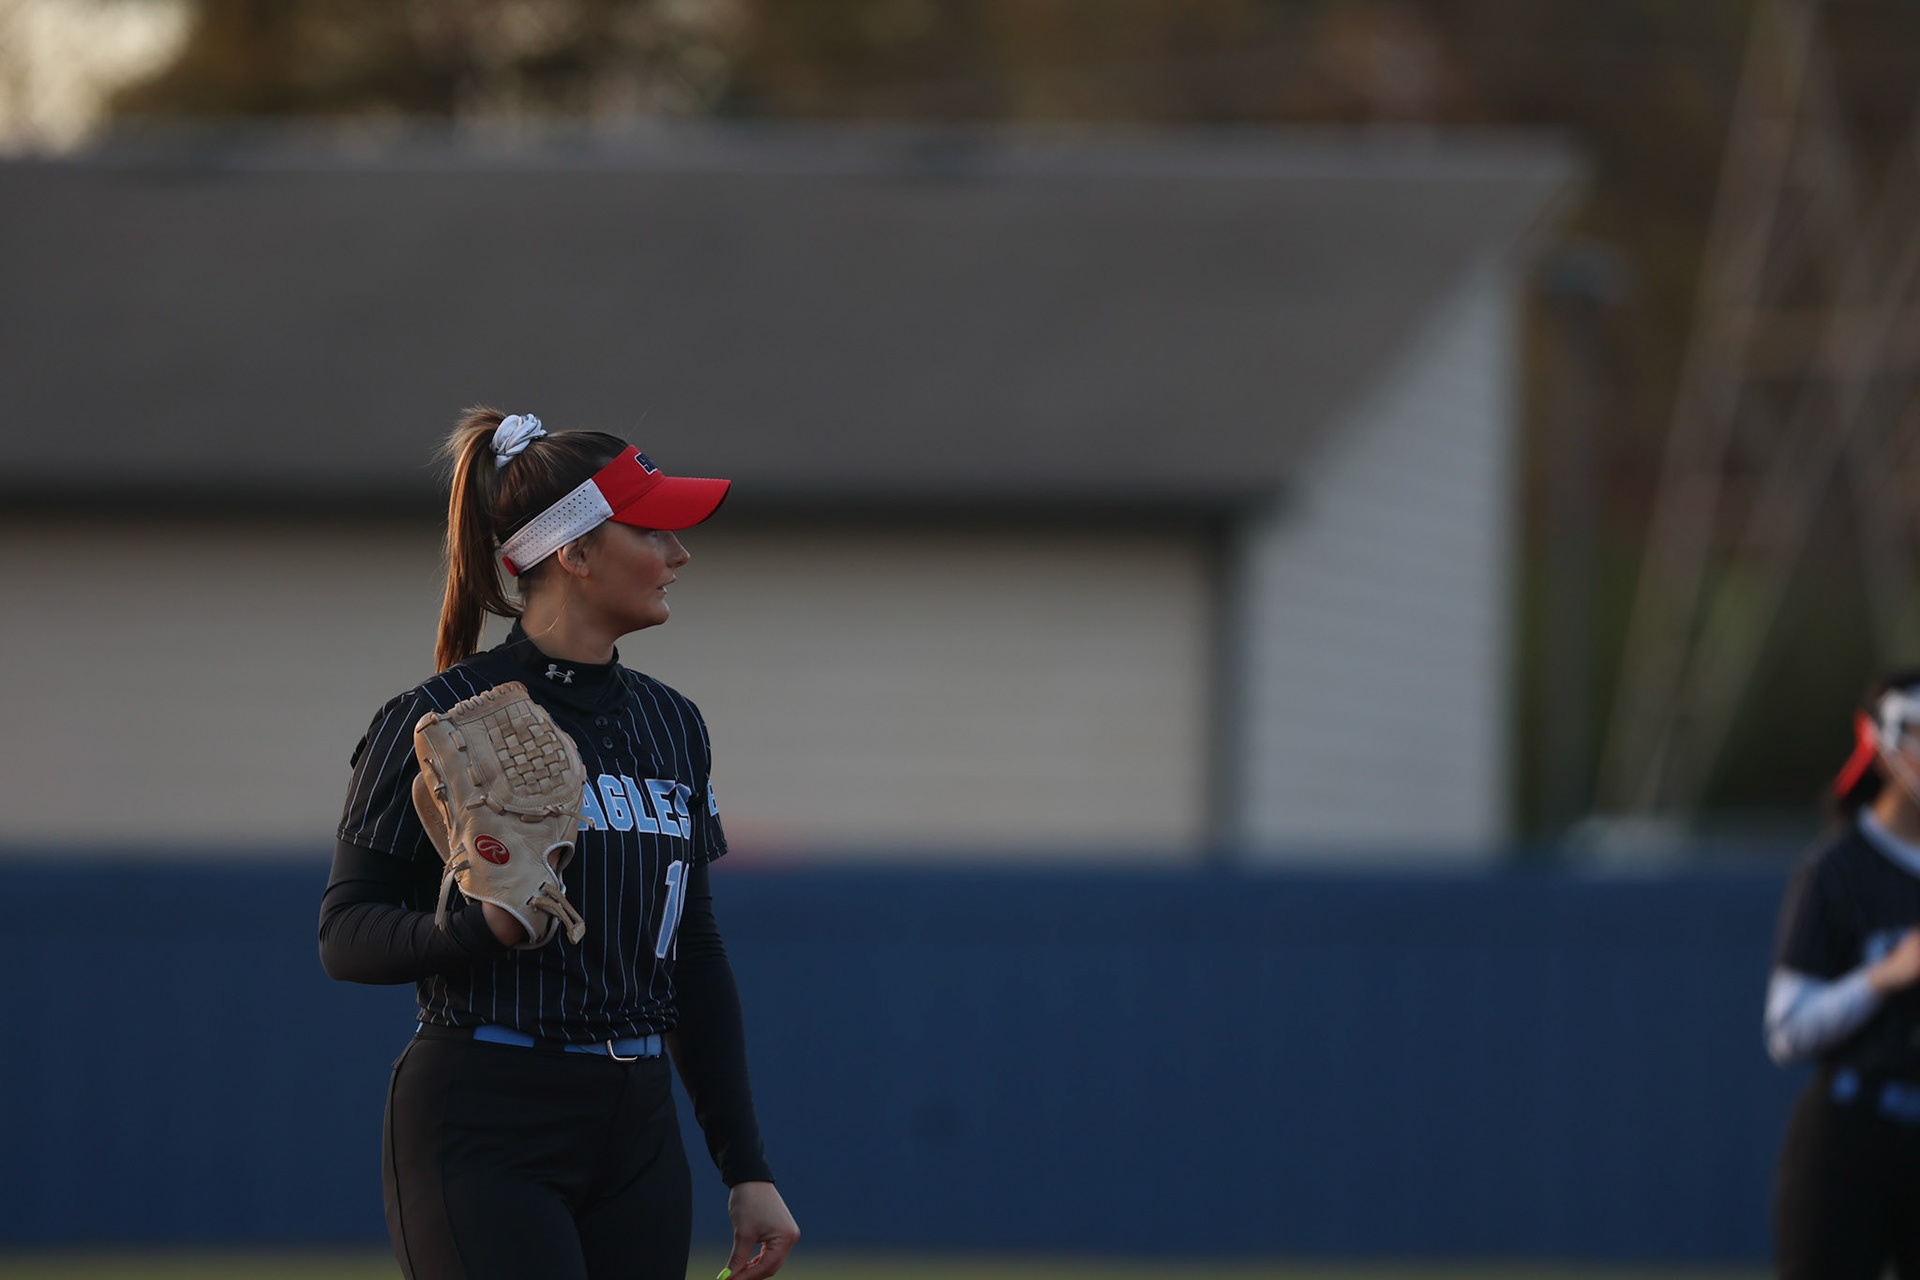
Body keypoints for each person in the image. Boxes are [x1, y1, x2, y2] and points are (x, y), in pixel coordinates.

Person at [319, 408, 799, 1280]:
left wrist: (745, 1167)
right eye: (652, 530)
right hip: (486, 1111)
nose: (680, 555)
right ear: (573, 553)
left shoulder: (672, 723)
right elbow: (345, 935)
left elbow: (690, 952)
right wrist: (477, 929)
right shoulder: (440, 720)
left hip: (637, 1123)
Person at [1767, 669, 1920, 1279]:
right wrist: (1886, 975)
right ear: (1881, 745)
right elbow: (1786, 1030)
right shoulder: (1837, 870)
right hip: (1853, 1133)